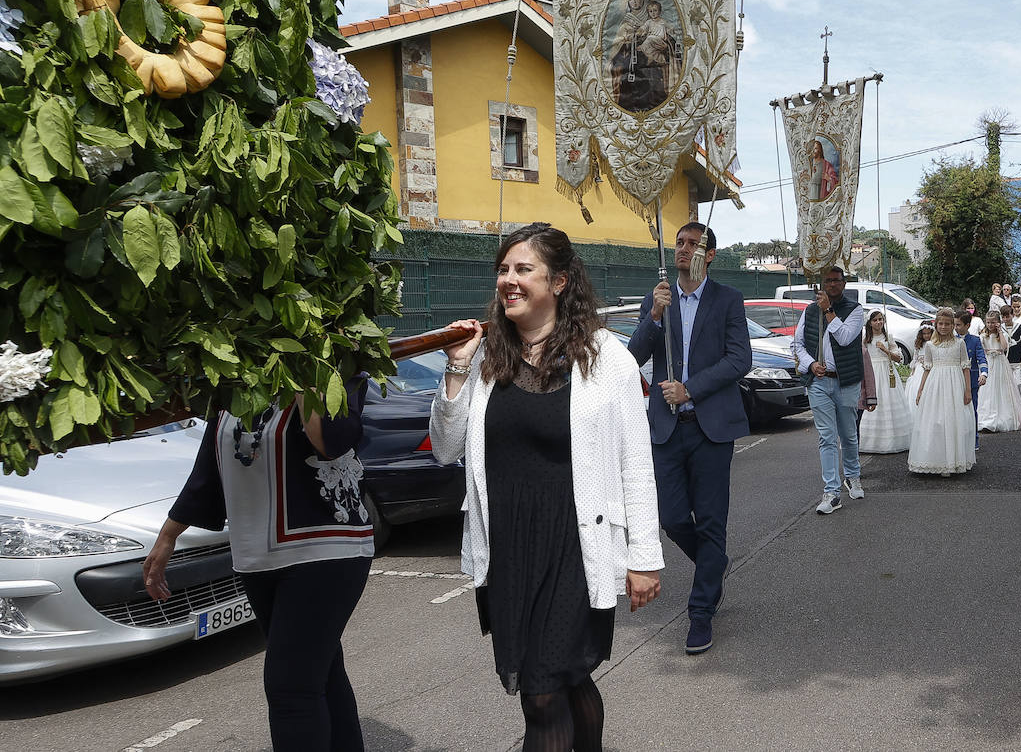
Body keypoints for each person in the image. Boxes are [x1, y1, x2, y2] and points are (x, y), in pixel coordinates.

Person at [429, 223, 664, 750]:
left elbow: (635, 463)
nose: (508, 281)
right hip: (511, 549)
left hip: (575, 548)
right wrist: (457, 369)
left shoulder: (607, 359)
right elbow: (446, 448)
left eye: (523, 269)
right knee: (565, 680)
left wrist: (644, 556)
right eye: (503, 270)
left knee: (541, 695)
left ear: (558, 282)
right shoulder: (490, 358)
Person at [143, 379, 375, 752]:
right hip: (257, 556)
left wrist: (304, 365)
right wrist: (168, 536)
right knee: (321, 673)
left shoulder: (333, 367)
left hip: (325, 549)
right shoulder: (231, 380)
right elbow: (209, 468)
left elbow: (331, 441)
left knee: (290, 686)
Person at [627, 221, 750, 655]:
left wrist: (690, 388)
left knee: (712, 520)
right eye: (679, 243)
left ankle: (701, 613)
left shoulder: (728, 300)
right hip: (666, 429)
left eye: (693, 244)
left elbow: (740, 359)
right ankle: (713, 565)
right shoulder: (657, 299)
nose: (683, 249)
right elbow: (633, 358)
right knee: (672, 516)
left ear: (710, 254)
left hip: (711, 428)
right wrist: (655, 316)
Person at [791, 266, 867, 514]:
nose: (831, 285)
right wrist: (810, 364)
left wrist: (829, 311)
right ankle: (832, 491)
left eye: (836, 281)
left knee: (848, 433)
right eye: (827, 281)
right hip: (819, 382)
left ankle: (852, 475)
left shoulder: (855, 310)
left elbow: (845, 338)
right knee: (826, 436)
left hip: (846, 380)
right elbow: (798, 343)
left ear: (844, 284)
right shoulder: (810, 311)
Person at [908, 307, 977, 475]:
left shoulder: (959, 343)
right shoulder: (930, 345)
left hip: (955, 385)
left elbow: (965, 367)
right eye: (941, 324)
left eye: (947, 324)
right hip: (935, 386)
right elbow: (927, 369)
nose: (944, 327)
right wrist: (920, 390)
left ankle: (953, 460)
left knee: (954, 421)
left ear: (953, 325)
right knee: (935, 421)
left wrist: (968, 390)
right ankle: (935, 459)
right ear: (936, 325)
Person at [858, 311, 912, 453]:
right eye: (875, 320)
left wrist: (885, 350)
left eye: (881, 319)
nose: (878, 322)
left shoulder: (888, 337)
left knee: (888, 401)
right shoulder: (865, 339)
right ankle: (867, 441)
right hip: (871, 372)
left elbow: (899, 359)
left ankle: (892, 440)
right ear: (870, 322)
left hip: (887, 373)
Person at [978, 310, 1021, 432]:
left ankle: (1003, 416)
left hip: (1000, 362)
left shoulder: (1002, 334)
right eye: (988, 322)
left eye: (993, 322)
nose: (990, 325)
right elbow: (981, 349)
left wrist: (1000, 331)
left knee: (1001, 388)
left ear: (998, 323)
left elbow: (1005, 347)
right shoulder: (983, 336)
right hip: (989, 362)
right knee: (987, 390)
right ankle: (986, 418)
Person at [953, 311, 988, 449]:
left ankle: (974, 440)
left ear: (967, 325)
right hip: (953, 380)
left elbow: (981, 357)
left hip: (972, 381)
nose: (955, 328)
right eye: (954, 324)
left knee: (971, 411)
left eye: (959, 325)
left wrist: (984, 373)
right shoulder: (951, 339)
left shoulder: (975, 340)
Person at [905, 324, 935, 421]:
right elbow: (915, 357)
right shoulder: (918, 343)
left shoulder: (934, 343)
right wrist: (913, 370)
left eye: (928, 333)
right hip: (919, 369)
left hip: (929, 368)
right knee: (915, 388)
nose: (926, 336)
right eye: (924, 334)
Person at [1002, 302, 1021, 405]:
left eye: (1008, 316)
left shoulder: (1020, 327)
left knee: (1019, 383)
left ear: (1012, 315)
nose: (1006, 319)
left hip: (1018, 360)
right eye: (1003, 317)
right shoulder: (1000, 329)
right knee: (1007, 385)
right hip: (1006, 361)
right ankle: (1010, 405)